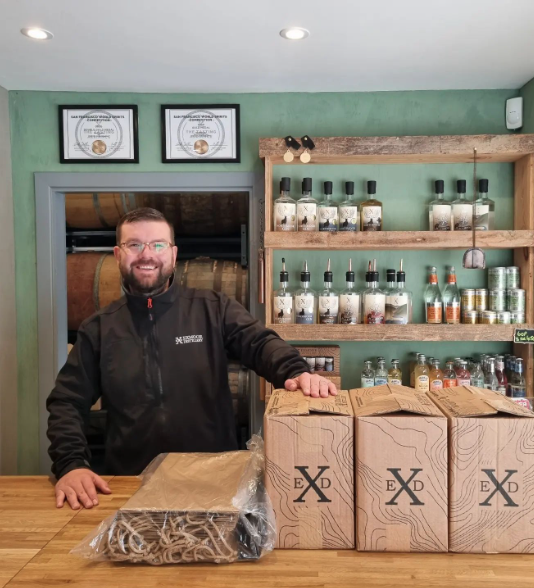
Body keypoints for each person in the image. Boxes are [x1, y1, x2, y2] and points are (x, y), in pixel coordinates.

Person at [47, 208, 336, 511]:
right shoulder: (100, 328)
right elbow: (66, 402)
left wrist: (296, 372)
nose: (147, 254)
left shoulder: (213, 308)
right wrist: (71, 465)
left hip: (216, 481)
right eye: (135, 245)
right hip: (131, 485)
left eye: (158, 244)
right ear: (118, 255)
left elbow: (260, 344)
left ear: (173, 255)